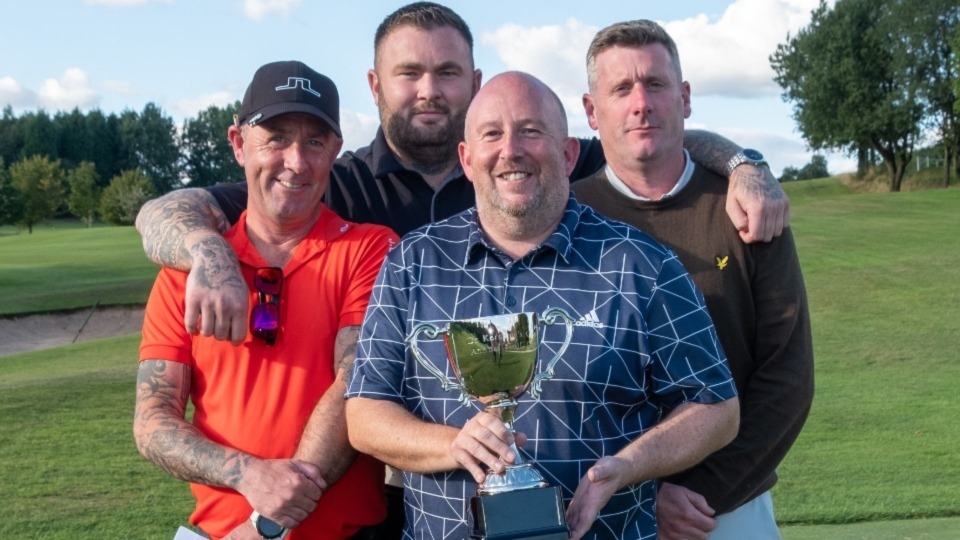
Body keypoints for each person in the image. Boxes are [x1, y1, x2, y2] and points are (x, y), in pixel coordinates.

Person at [134, 2, 789, 348]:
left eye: (448, 74)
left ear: (474, 82)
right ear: (375, 85)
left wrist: (743, 163)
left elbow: (643, 137)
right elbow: (167, 210)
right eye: (408, 74)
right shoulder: (333, 180)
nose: (429, 91)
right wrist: (207, 248)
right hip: (384, 471)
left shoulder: (528, 163)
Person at [343, 70, 741, 540]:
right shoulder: (413, 262)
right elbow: (364, 414)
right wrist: (454, 444)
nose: (510, 150)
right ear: (467, 160)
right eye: (492, 134)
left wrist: (629, 465)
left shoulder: (641, 264)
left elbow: (718, 409)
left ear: (569, 153)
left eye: (531, 131)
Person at [133, 60, 398, 540]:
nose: (296, 162)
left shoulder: (369, 248)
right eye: (276, 138)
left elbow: (355, 385)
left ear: (335, 150)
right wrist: (248, 474)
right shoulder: (186, 275)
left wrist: (268, 524)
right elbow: (152, 422)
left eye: (315, 142)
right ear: (238, 143)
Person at [571, 20, 814, 540]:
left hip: (724, 513)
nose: (641, 103)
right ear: (593, 112)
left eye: (655, 84)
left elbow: (787, 377)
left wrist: (701, 494)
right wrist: (642, 496)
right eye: (620, 89)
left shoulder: (749, 208)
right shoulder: (568, 217)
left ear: (683, 98)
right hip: (602, 511)